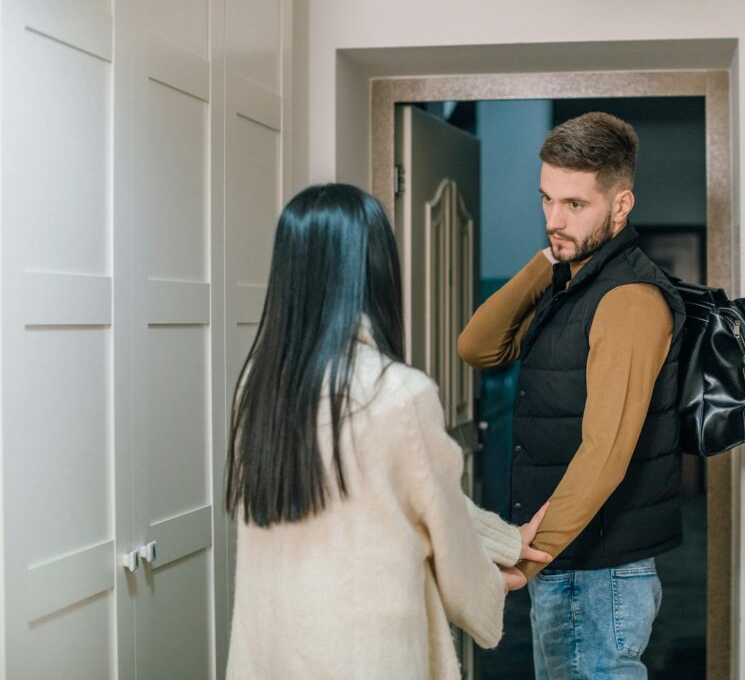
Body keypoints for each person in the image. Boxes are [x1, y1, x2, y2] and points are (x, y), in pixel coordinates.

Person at [224, 183, 551, 679]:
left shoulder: (260, 385)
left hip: (273, 651)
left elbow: (387, 499)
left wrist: (503, 541)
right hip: (364, 655)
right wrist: (494, 583)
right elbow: (445, 533)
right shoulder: (398, 392)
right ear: (373, 268)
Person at [458, 112, 687, 679]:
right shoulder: (572, 281)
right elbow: (477, 347)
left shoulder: (628, 298)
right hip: (572, 557)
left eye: (575, 206)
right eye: (547, 200)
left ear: (621, 204)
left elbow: (604, 452)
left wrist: (527, 556)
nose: (554, 220)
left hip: (597, 568)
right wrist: (547, 260)